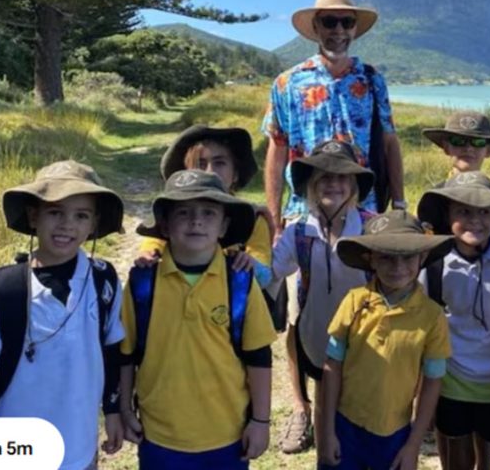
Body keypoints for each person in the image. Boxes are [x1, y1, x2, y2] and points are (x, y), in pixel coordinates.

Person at [0, 160, 126, 470]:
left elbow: (112, 351)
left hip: (80, 450)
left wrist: (113, 411)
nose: (67, 225)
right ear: (34, 216)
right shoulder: (6, 290)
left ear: (94, 223)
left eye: (80, 215)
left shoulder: (103, 281)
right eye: (55, 212)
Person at [119, 170, 277, 469]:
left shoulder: (239, 280)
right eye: (183, 212)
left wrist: (261, 420)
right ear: (164, 225)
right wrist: (125, 409)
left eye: (208, 212)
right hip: (159, 435)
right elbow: (125, 353)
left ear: (224, 225)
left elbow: (259, 355)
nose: (196, 220)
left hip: (227, 434)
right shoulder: (143, 281)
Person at [263, 0, 407, 228]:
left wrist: (399, 205)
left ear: (354, 29)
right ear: (316, 26)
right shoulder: (287, 83)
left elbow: (389, 142)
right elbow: (277, 150)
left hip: (362, 208)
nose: (339, 30)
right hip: (304, 209)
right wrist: (274, 220)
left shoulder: (372, 80)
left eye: (347, 22)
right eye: (330, 21)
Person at [319, 211, 453, 469]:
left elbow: (433, 380)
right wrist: (327, 433)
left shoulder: (432, 316)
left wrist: (413, 444)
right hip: (346, 425)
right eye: (387, 257)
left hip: (395, 433)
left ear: (422, 257)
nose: (398, 267)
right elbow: (332, 366)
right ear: (371, 260)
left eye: (407, 257)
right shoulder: (354, 301)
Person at [270, 140, 375, 454]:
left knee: (361, 403)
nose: (334, 183)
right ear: (311, 186)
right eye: (324, 177)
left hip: (367, 335)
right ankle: (326, 456)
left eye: (342, 177)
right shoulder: (299, 232)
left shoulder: (372, 227)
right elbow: (273, 271)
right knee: (324, 399)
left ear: (354, 185)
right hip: (317, 332)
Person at [416, 171, 490, 470]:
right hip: (453, 378)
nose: (475, 219)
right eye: (463, 211)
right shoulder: (434, 263)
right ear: (446, 214)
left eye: (484, 211)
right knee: (458, 453)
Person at [136, 124, 272, 287]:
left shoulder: (253, 219)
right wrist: (149, 254)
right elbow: (152, 245)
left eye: (220, 163)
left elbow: (264, 277)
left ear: (235, 173)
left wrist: (249, 263)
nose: (210, 172)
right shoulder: (173, 212)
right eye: (201, 164)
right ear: (184, 172)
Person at [421, 111, 490, 189]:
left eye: (478, 142)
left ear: (488, 150)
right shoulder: (434, 197)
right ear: (446, 148)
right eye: (458, 141)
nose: (468, 148)